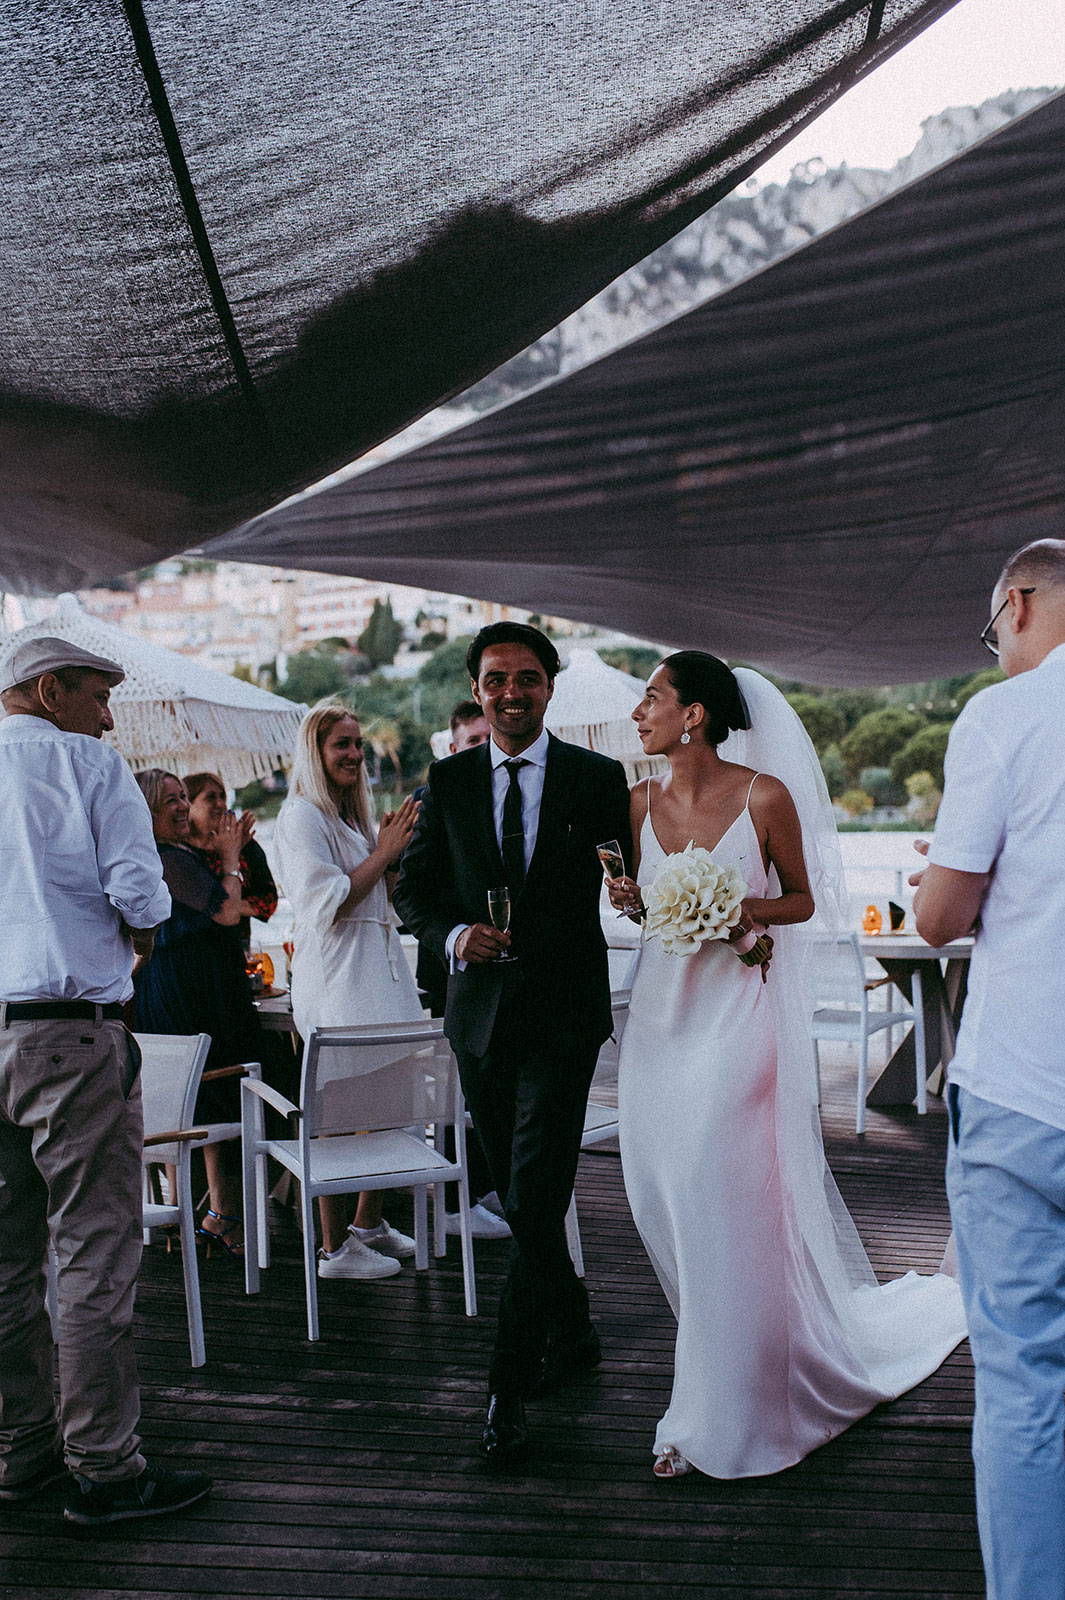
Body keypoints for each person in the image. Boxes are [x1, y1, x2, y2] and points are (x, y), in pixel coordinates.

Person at [608, 651, 967, 1480]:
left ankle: (718, 1411)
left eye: (652, 697)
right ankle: (733, 1370)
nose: (639, 712)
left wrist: (738, 907)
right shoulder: (637, 802)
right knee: (663, 1197)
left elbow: (802, 900)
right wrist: (636, 901)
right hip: (660, 1028)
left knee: (719, 1199)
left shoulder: (762, 796)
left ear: (693, 713)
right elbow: (639, 903)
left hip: (737, 1027)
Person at [394, 622, 632, 1465]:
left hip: (565, 1018)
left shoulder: (599, 779)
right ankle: (572, 1333)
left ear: (549, 687)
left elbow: (629, 878)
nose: (511, 693)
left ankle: (504, 1385)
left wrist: (640, 897)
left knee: (532, 1192)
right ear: (477, 688)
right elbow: (412, 890)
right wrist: (457, 934)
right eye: (496, 680)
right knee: (521, 1196)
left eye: (527, 678)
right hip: (481, 1021)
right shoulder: (450, 780)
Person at [0, 637, 211, 1525]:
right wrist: (146, 924)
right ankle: (105, 1467)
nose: (108, 716)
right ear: (49, 690)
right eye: (96, 696)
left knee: (5, 1261)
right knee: (92, 1250)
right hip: (67, 1036)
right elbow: (142, 891)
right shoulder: (89, 763)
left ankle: (19, 1452)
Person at [912, 540, 1065, 1600]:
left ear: (1017, 603)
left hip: (1023, 1090)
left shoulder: (1005, 718)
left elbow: (938, 917)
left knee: (1022, 1383)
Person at [272, 701, 421, 1281]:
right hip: (338, 981)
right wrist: (383, 854)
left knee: (385, 1102)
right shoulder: (300, 817)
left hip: (378, 974)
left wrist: (391, 857)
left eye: (358, 744)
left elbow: (376, 894)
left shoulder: (352, 821)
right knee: (335, 1109)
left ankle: (368, 1223)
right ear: (316, 750)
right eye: (342, 745)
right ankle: (334, 1248)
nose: (355, 755)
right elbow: (323, 902)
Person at [133, 769, 266, 1257]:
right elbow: (226, 912)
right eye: (170, 799)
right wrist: (230, 858)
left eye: (183, 796)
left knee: (211, 1100)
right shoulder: (165, 857)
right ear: (146, 809)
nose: (182, 806)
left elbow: (259, 901)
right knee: (209, 1097)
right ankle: (220, 1217)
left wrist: (229, 849)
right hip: (187, 992)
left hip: (203, 988)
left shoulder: (185, 854)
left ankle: (210, 1215)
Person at [413, 700, 509, 1242]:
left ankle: (488, 1180)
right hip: (450, 966)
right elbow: (419, 889)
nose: (480, 748)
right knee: (457, 1083)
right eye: (471, 742)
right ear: (453, 749)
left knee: (488, 1084)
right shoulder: (434, 799)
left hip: (508, 961)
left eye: (484, 739)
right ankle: (455, 1201)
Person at [184, 770, 278, 949]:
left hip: (237, 947)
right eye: (210, 798)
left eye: (222, 796)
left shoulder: (245, 846)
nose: (220, 804)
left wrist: (220, 907)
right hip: (193, 950)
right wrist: (230, 905)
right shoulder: (179, 853)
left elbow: (268, 903)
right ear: (188, 805)